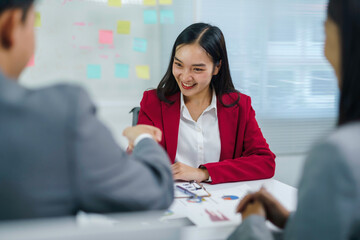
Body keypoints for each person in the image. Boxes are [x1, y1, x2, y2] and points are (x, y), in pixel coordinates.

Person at [0, 0, 173, 221]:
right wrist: (144, 139)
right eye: (32, 24)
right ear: (10, 25)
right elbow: (154, 191)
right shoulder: (60, 115)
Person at [228, 0, 360, 239]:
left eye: (325, 30)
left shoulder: (338, 155)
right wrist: (292, 220)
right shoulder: (155, 102)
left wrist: (253, 222)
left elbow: (264, 161)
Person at [137, 23, 275, 184]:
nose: (185, 77)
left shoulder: (239, 106)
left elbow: (266, 162)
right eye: (179, 64)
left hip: (223, 203)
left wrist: (203, 173)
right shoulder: (153, 102)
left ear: (217, 67)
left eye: (197, 69)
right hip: (171, 201)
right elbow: (140, 162)